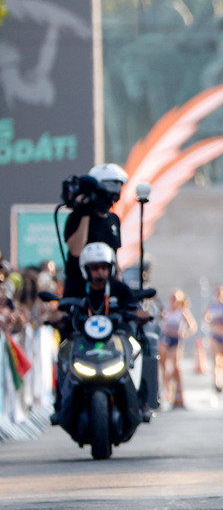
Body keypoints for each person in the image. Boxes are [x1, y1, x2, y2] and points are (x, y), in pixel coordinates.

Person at [52, 243, 149, 424]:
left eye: (104, 268)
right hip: (83, 341)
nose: (100, 273)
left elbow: (135, 309)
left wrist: (140, 314)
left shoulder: (120, 289)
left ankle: (140, 400)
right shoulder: (75, 288)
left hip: (117, 341)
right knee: (63, 349)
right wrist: (56, 316)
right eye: (95, 268)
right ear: (85, 269)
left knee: (137, 348)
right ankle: (61, 402)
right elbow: (61, 310)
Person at [62, 164, 128, 298]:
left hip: (107, 290)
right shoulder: (76, 217)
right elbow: (76, 251)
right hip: (79, 289)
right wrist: (85, 213)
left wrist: (119, 281)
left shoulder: (113, 220)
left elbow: (114, 256)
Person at [160, 290, 197, 409]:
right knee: (164, 367)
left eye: (176, 299)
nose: (174, 302)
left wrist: (184, 333)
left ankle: (167, 387)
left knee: (175, 367)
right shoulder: (166, 312)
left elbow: (192, 326)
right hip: (166, 340)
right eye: (172, 299)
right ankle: (167, 390)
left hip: (176, 341)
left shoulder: (182, 312)